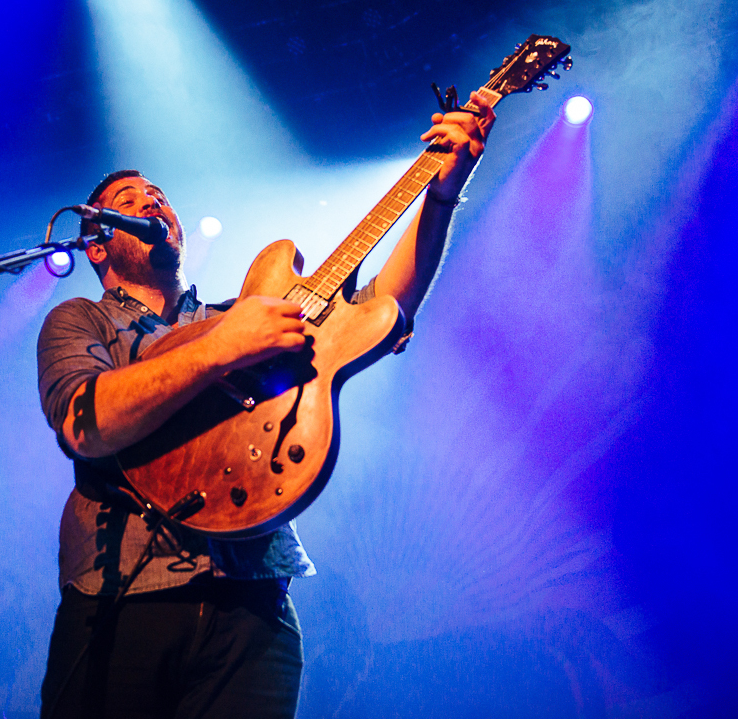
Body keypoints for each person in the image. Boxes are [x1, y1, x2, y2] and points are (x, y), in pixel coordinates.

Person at [36, 93, 496, 719]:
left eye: (160, 196)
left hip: (255, 602)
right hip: (122, 596)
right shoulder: (80, 320)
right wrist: (217, 351)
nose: (152, 202)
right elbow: (84, 423)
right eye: (129, 201)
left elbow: (384, 305)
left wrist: (442, 193)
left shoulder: (245, 316)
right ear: (96, 246)